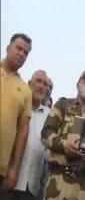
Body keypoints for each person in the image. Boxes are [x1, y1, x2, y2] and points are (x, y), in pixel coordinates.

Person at [41, 70, 85, 200]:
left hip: (84, 186)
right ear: (78, 85)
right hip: (59, 180)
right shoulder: (63, 105)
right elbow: (46, 132)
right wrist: (64, 145)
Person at [2, 70, 50, 200]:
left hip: (31, 187)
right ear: (29, 83)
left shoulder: (49, 115)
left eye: (45, 84)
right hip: (7, 178)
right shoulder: (17, 104)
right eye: (38, 81)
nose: (41, 86)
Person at [1, 33, 33, 192]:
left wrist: (15, 169)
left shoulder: (26, 90)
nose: (21, 54)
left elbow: (23, 130)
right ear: (8, 48)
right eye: (18, 48)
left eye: (26, 52)